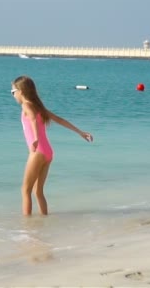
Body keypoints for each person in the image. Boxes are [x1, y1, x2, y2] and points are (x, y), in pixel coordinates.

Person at [11, 75, 93, 216]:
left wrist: (35, 138)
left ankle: (28, 227)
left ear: (21, 91)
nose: (12, 95)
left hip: (37, 152)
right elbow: (59, 120)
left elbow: (31, 118)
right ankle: (44, 221)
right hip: (48, 152)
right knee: (38, 191)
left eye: (13, 92)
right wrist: (80, 132)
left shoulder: (26, 105)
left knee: (25, 190)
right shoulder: (39, 107)